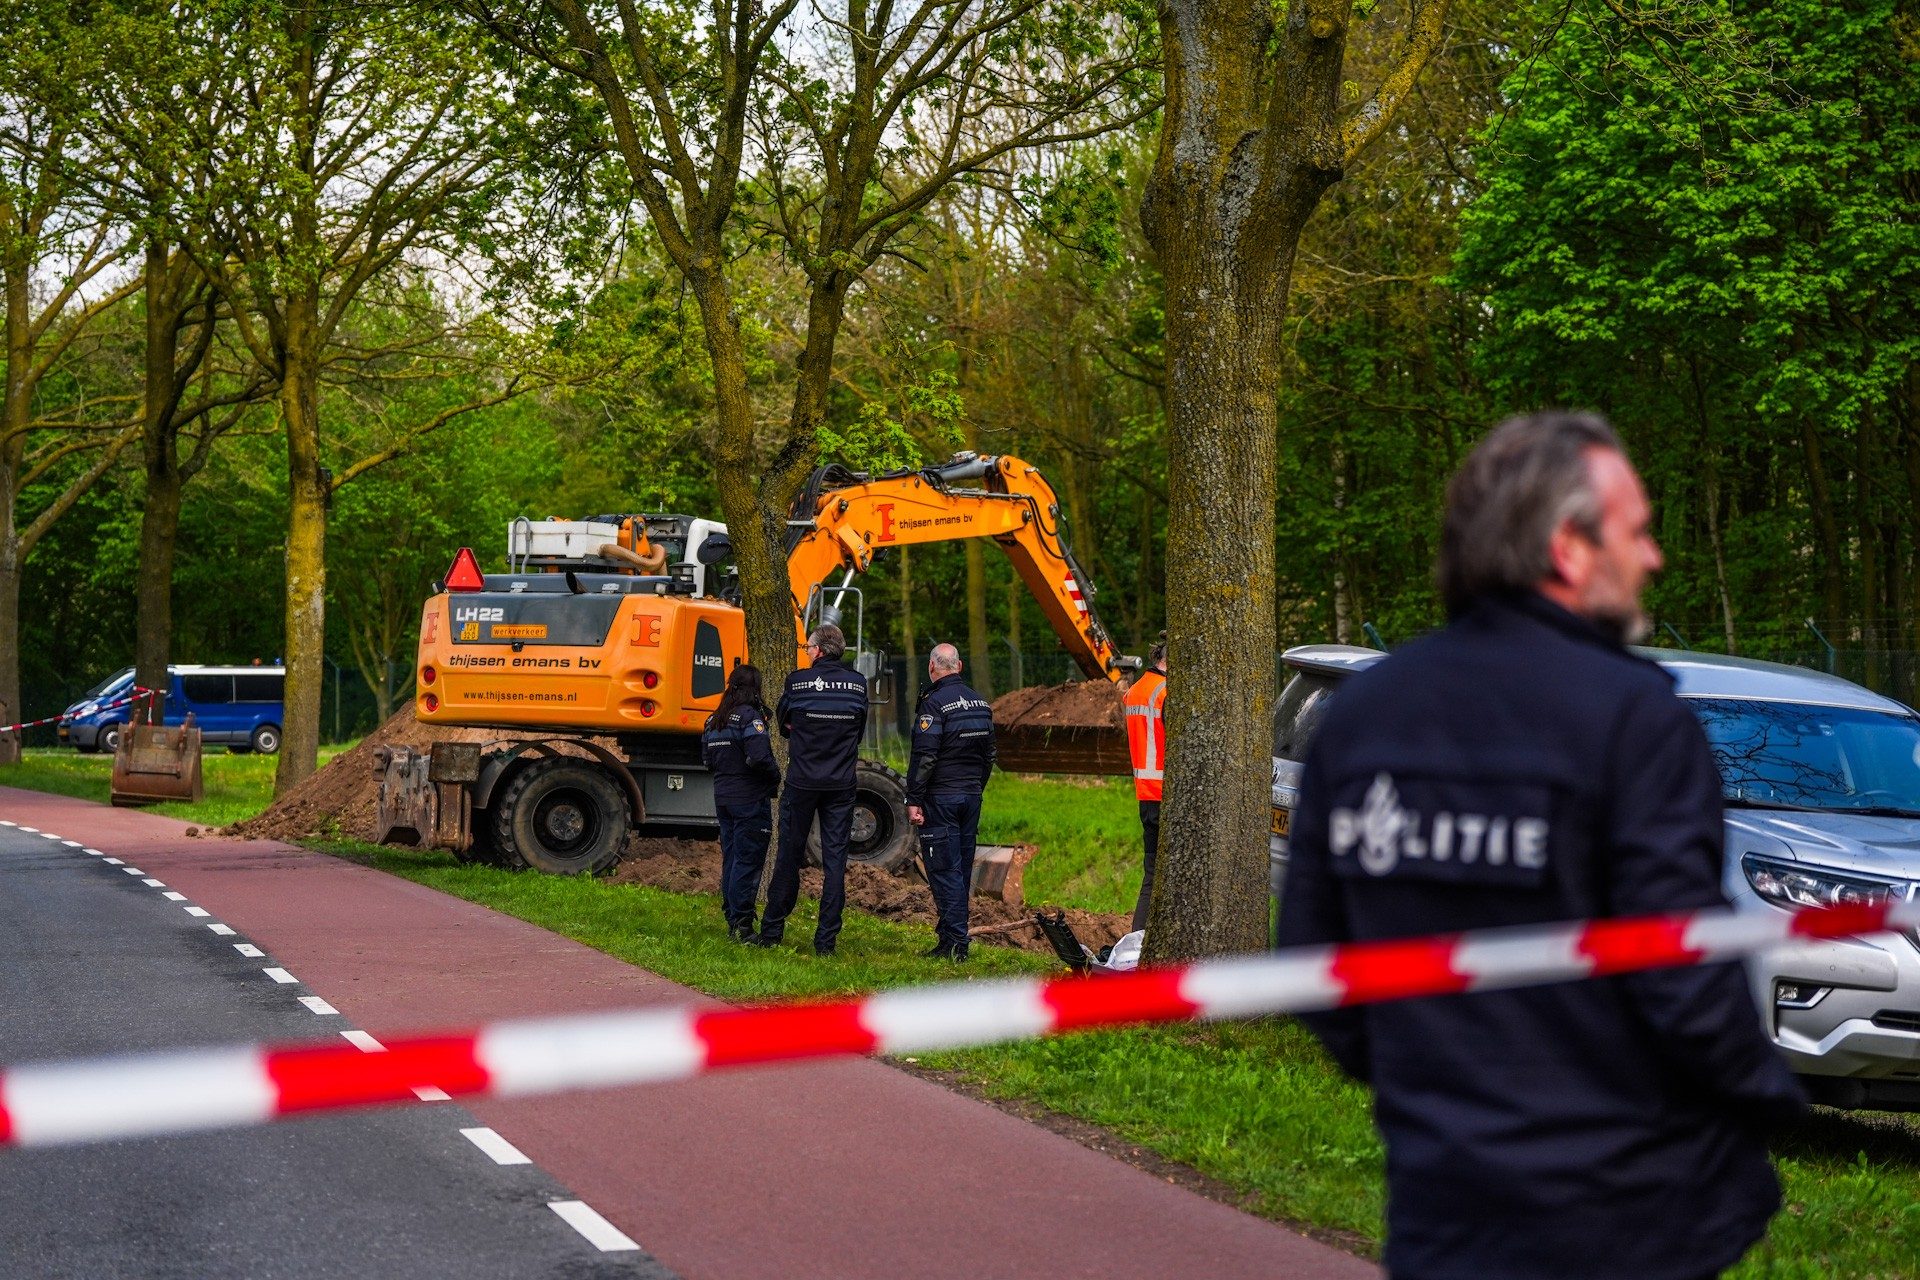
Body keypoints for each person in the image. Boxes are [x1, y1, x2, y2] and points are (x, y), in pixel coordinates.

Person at [1275, 411, 1803, 1280]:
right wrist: (1762, 1096)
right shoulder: (1634, 720)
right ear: (1570, 546)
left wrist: (1433, 1092)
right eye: (1637, 533)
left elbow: (1313, 962)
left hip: (1443, 1209)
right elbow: (1681, 969)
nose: (1654, 559)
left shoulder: (1365, 714)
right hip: (1624, 1218)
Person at [752, 623, 868, 956]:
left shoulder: (798, 682)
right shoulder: (858, 685)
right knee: (835, 861)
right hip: (841, 784)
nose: (807, 653)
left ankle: (772, 931)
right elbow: (859, 729)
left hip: (802, 781)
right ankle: (826, 942)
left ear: (816, 651)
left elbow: (785, 725)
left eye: (808, 649)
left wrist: (805, 728)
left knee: (789, 854)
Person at [905, 643, 996, 960]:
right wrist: (975, 787)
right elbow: (989, 756)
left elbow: (925, 756)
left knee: (944, 871)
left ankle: (958, 943)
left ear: (932, 667)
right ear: (959, 667)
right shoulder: (981, 703)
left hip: (941, 798)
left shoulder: (934, 704)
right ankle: (947, 939)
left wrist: (914, 798)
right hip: (971, 797)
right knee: (960, 870)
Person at [701, 663, 780, 942]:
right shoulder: (750, 719)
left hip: (723, 797)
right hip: (749, 799)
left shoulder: (714, 721)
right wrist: (775, 776)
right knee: (747, 862)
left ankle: (732, 919)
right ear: (754, 689)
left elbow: (707, 761)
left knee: (732, 860)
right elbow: (759, 757)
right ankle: (743, 927)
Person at [1121, 637, 1167, 932]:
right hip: (1167, 794)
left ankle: (1138, 938)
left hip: (1145, 793)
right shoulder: (1166, 692)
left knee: (1151, 875)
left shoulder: (1135, 691)